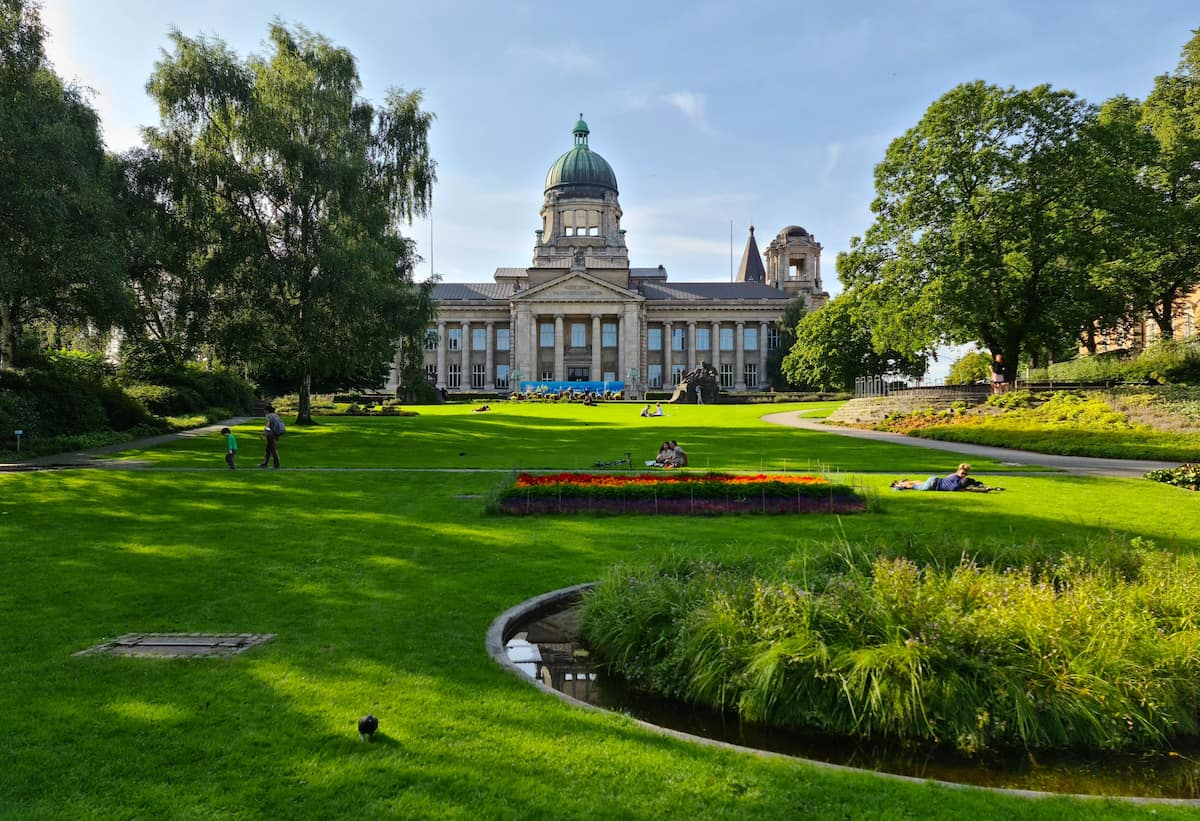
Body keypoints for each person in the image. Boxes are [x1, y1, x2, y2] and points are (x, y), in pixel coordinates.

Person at [892, 463, 973, 491]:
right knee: (915, 487)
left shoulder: (953, 475)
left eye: (965, 474)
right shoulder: (958, 483)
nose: (964, 475)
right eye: (963, 473)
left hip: (935, 479)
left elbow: (946, 479)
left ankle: (902, 482)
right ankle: (899, 485)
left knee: (920, 482)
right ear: (958, 471)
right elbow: (964, 489)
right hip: (933, 484)